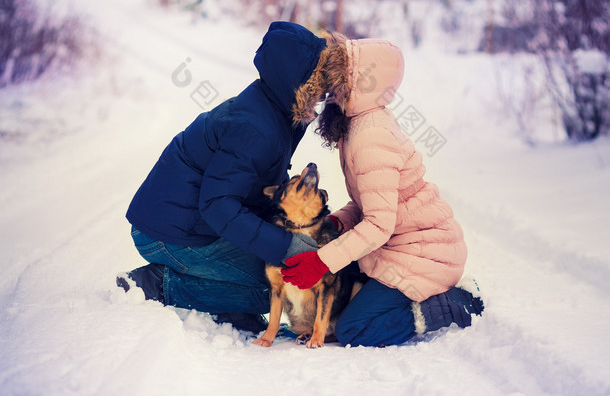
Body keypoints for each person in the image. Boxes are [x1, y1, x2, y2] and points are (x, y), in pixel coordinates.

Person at [118, 22, 345, 333]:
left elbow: (249, 190)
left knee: (278, 268)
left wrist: (302, 229)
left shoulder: (274, 111)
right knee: (275, 286)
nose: (324, 94)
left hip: (190, 222)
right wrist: (287, 247)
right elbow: (219, 206)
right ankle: (158, 284)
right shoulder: (257, 127)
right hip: (167, 234)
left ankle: (229, 303)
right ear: (300, 82)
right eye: (320, 83)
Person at [281, 33, 485, 347]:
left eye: (337, 79)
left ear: (360, 83)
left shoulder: (370, 136)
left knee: (354, 329)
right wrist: (337, 223)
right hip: (399, 245)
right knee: (343, 293)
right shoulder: (359, 122)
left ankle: (451, 305)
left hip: (424, 256)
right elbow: (369, 202)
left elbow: (379, 224)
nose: (328, 89)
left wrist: (321, 261)